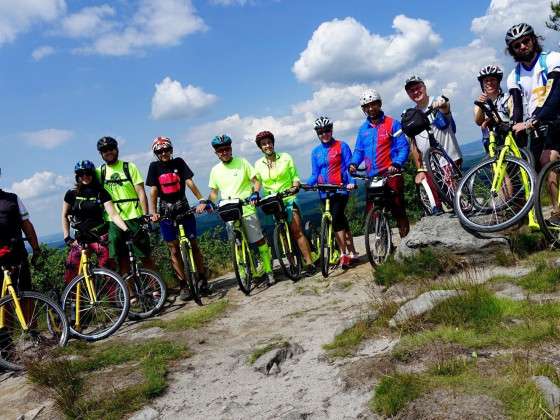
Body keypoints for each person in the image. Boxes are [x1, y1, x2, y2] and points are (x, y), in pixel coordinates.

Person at [202, 135, 276, 286]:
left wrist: (255, 192)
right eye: (220, 150)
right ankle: (245, 274)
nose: (224, 152)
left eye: (227, 149)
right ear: (216, 153)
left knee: (258, 239)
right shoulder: (215, 170)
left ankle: (269, 271)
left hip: (246, 207)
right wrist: (209, 201)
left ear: (231, 149)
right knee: (237, 243)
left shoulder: (242, 162)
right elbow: (214, 191)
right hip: (229, 210)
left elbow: (255, 180)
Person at [505, 23, 560, 222]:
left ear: (533, 40)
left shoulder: (552, 59)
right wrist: (514, 125)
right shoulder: (515, 76)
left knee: (548, 159)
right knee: (535, 169)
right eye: (516, 45)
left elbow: (555, 95)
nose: (522, 46)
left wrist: (535, 119)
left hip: (555, 118)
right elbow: (518, 108)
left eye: (525, 41)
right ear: (512, 50)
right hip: (536, 126)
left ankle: (556, 211)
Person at [146, 136, 209, 301]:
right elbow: (153, 191)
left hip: (183, 207)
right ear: (156, 153)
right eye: (160, 151)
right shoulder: (154, 167)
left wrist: (201, 199)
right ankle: (183, 284)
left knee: (194, 245)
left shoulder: (179, 162)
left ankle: (202, 279)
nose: (164, 153)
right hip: (165, 211)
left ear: (171, 150)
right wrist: (153, 212)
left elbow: (189, 182)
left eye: (166, 149)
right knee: (173, 249)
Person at [253, 130, 317, 275]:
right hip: (272, 201)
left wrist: (295, 187)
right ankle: (293, 265)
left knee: (296, 231)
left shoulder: (286, 157)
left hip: (288, 198)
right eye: (264, 144)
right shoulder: (258, 164)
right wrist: (255, 193)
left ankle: (309, 262)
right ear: (260, 147)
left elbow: (295, 177)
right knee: (282, 234)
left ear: (273, 143)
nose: (267, 145)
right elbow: (257, 183)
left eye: (269, 142)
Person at [349, 89, 411, 238]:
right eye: (367, 106)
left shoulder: (392, 124)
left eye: (373, 104)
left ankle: (406, 239)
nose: (371, 109)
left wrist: (396, 163)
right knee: (373, 209)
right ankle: (384, 241)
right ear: (363, 109)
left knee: (397, 206)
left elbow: (403, 147)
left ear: (380, 104)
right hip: (372, 176)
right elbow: (359, 150)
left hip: (391, 172)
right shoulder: (362, 129)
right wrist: (353, 164)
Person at [61, 160, 129, 284]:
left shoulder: (101, 193)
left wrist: (126, 229)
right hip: (80, 239)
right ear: (77, 176)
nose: (85, 176)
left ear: (93, 174)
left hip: (100, 237)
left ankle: (115, 301)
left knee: (108, 269)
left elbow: (113, 214)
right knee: (72, 269)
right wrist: (66, 236)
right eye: (81, 174)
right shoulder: (71, 194)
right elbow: (64, 215)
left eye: (88, 173)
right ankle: (73, 300)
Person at [404, 75, 462, 213]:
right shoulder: (412, 115)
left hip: (449, 159)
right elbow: (413, 146)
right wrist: (420, 169)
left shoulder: (436, 101)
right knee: (438, 207)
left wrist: (442, 104)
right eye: (411, 90)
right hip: (430, 166)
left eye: (418, 88)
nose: (415, 92)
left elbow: (446, 107)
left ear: (424, 87)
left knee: (456, 199)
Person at [95, 136, 154, 274]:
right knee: (122, 258)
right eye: (104, 150)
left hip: (134, 215)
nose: (108, 152)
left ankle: (155, 289)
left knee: (144, 255)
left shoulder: (129, 167)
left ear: (116, 149)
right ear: (101, 154)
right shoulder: (99, 172)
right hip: (113, 220)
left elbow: (140, 192)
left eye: (111, 149)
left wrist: (145, 215)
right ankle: (131, 293)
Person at [307, 117, 358, 269]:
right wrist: (307, 184)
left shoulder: (342, 146)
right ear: (317, 133)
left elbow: (349, 167)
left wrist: (351, 182)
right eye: (321, 132)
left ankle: (343, 254)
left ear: (332, 130)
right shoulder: (315, 152)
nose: (324, 134)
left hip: (341, 189)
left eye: (327, 130)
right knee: (340, 220)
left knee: (336, 218)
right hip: (324, 191)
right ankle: (352, 251)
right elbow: (315, 173)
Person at [0, 167, 41, 292]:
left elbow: (26, 225)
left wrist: (36, 249)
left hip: (16, 255)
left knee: (24, 294)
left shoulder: (13, 198)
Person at [473, 65, 511, 153]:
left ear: (498, 82)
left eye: (493, 80)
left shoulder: (507, 98)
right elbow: (478, 121)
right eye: (486, 81)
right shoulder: (478, 104)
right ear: (482, 84)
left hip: (509, 139)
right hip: (491, 143)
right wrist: (481, 105)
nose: (489, 83)